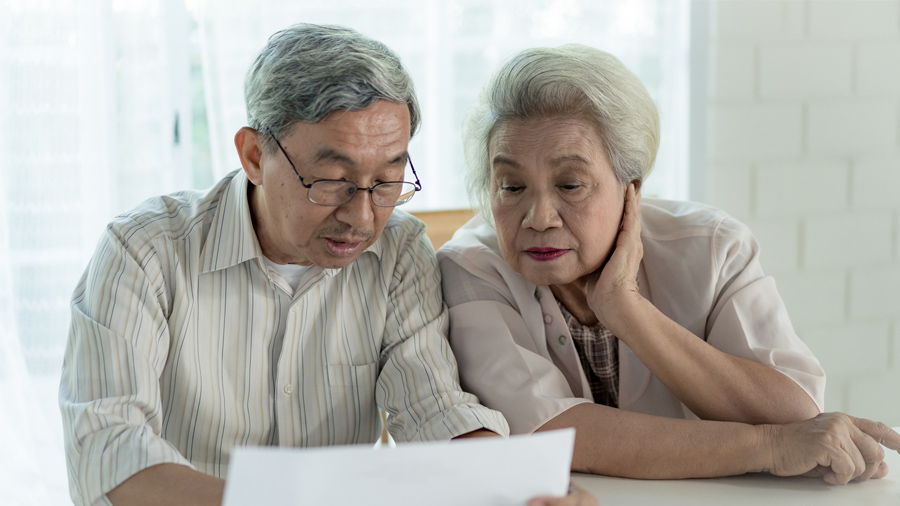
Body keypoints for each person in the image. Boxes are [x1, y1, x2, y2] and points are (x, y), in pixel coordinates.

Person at [59, 23, 587, 506]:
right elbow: (112, 451)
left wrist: (523, 486)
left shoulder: (398, 251)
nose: (362, 217)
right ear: (254, 156)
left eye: (387, 181)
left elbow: (433, 408)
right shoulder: (143, 251)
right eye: (331, 179)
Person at [438, 44, 900, 483]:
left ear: (630, 186)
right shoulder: (471, 267)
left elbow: (794, 411)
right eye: (512, 187)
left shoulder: (712, 246)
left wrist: (627, 310)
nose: (539, 218)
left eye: (570, 184)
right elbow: (552, 433)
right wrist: (771, 448)